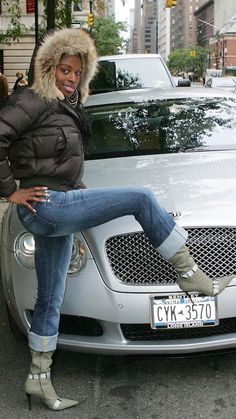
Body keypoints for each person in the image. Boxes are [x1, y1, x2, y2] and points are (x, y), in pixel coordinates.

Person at [0, 28, 234, 411]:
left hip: (57, 204)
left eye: (77, 72)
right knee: (140, 197)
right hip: (47, 205)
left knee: (49, 299)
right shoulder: (34, 99)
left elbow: (56, 157)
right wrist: (10, 190)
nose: (71, 78)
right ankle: (189, 272)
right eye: (63, 70)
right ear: (48, 69)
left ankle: (38, 378)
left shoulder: (65, 106)